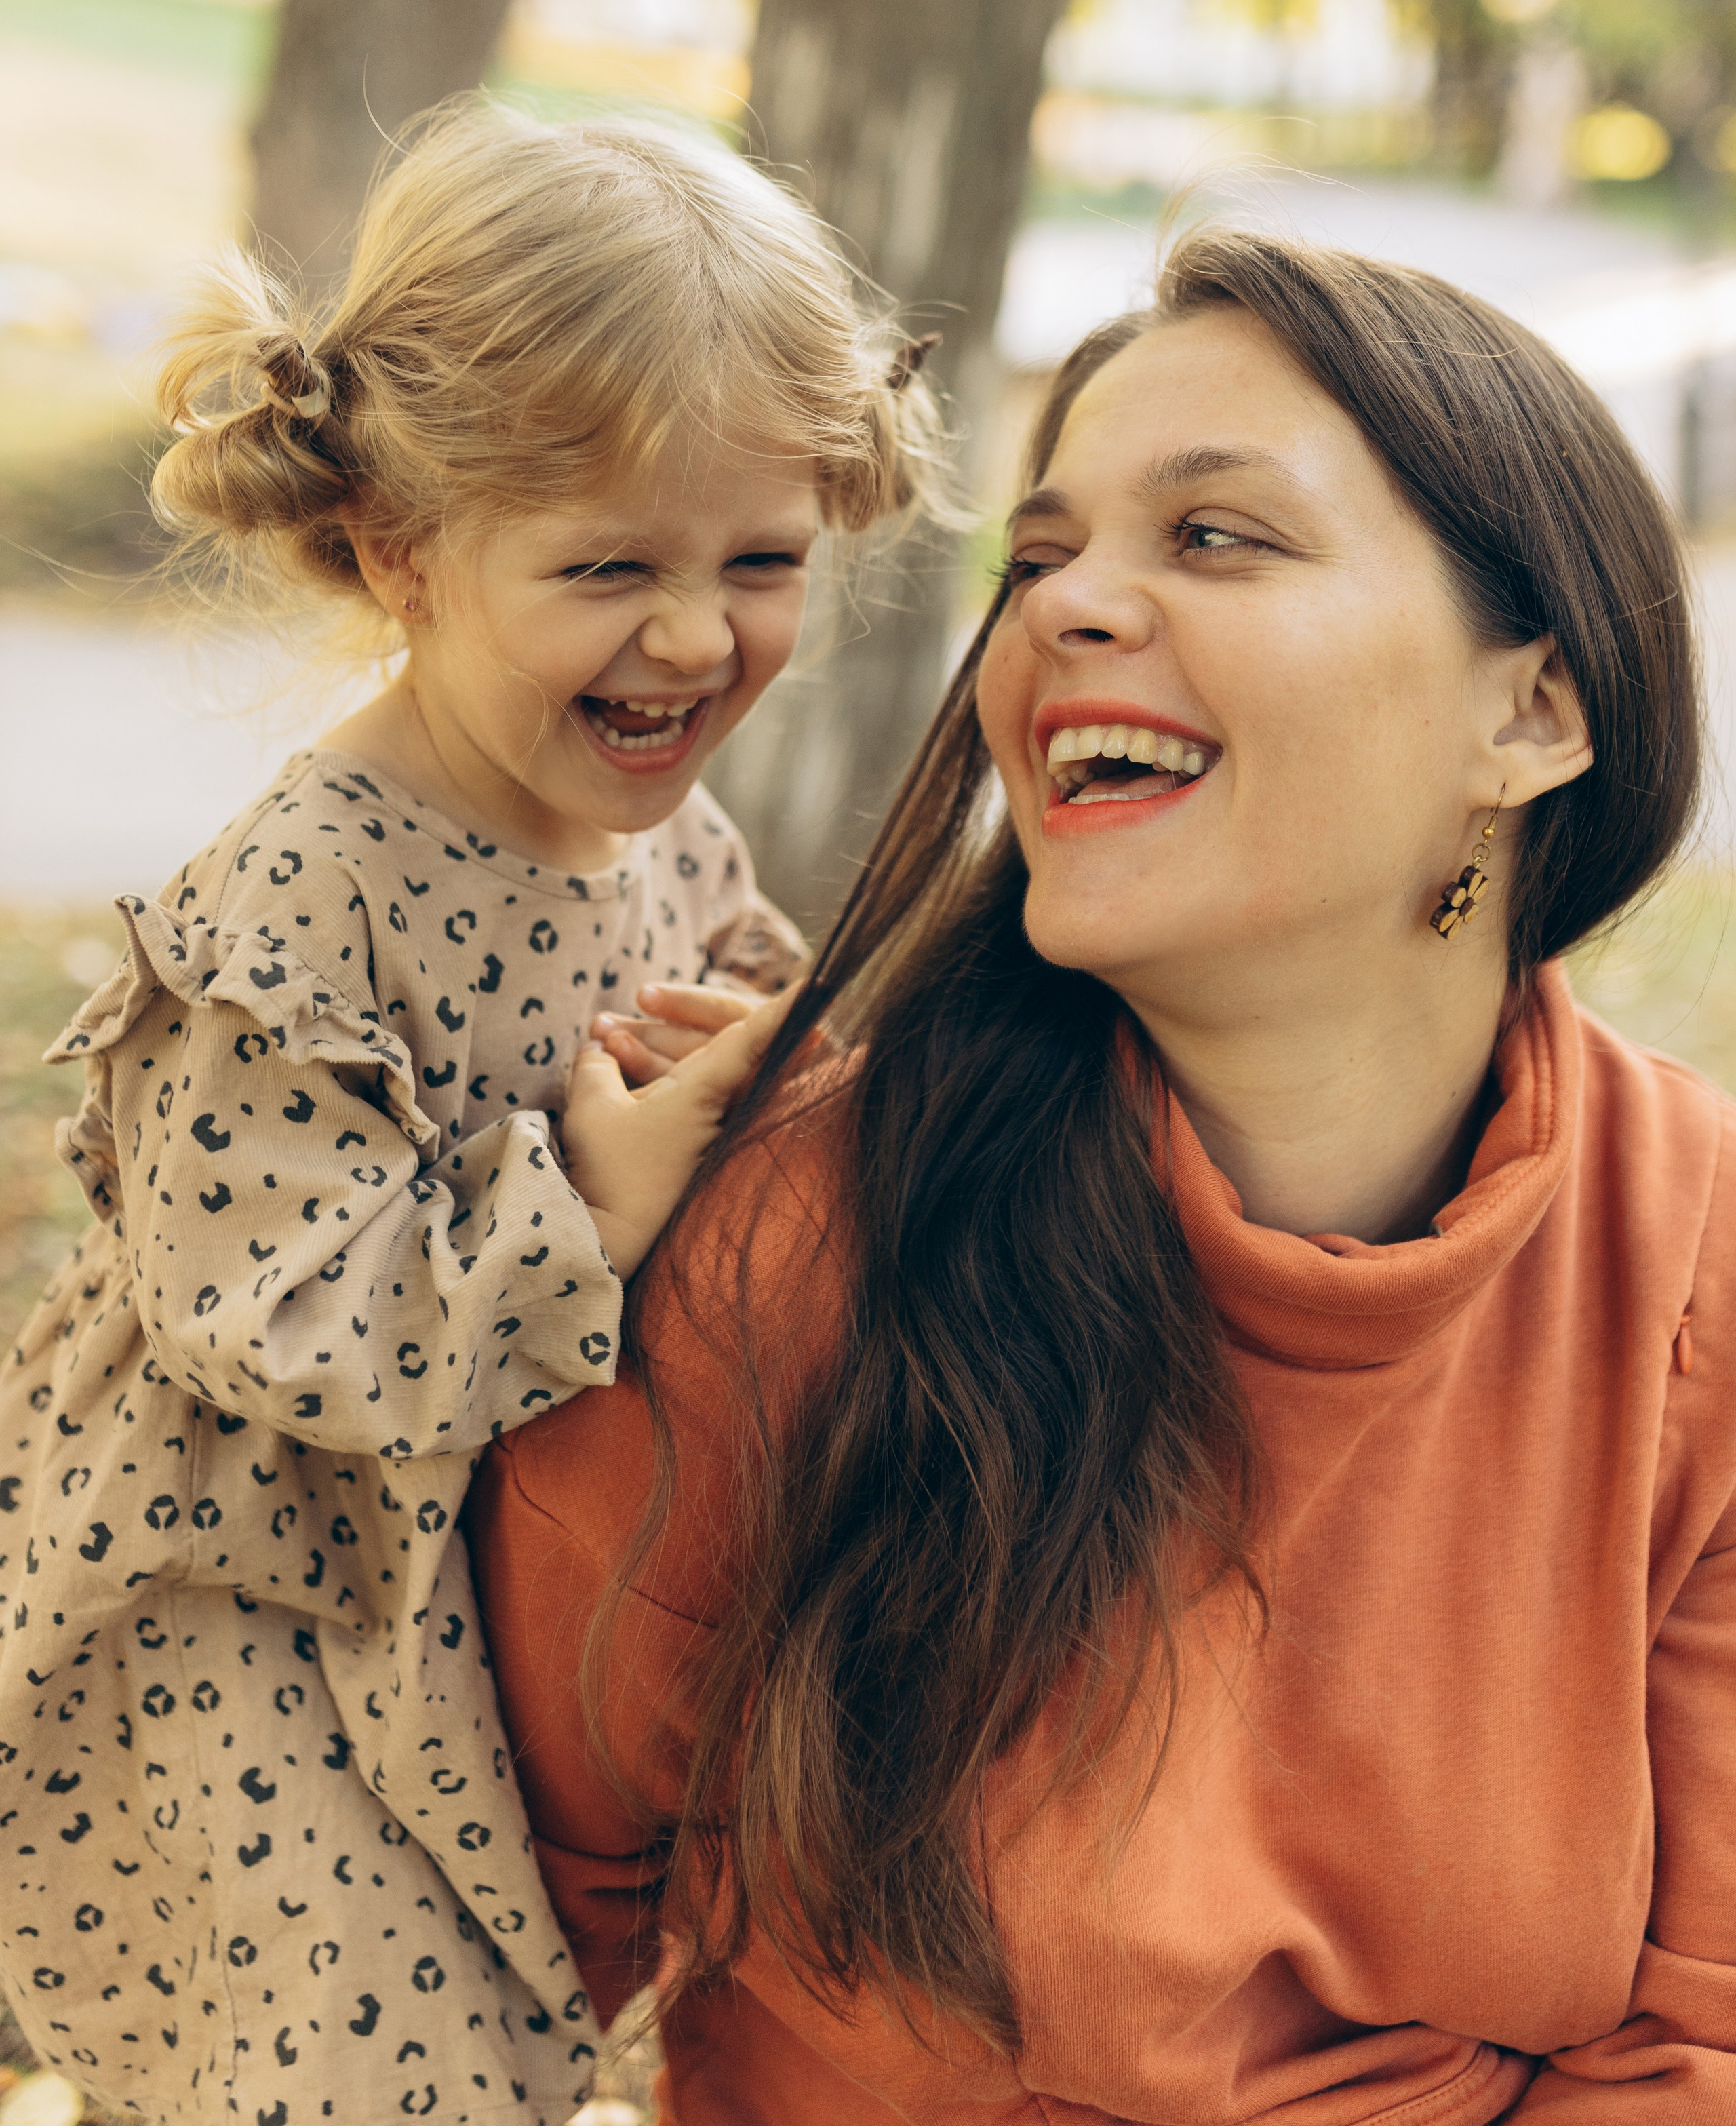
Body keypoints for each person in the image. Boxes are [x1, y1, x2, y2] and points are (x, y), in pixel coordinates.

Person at [471, 227, 1736, 2126]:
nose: (1061, 612)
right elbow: (502, 1938)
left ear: (1533, 714)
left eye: (1215, 537)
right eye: (1042, 557)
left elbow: (1691, 2045)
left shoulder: (1694, 1270)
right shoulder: (789, 1229)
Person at [0, 102, 934, 2126]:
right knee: (359, 2079)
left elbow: (757, 1025)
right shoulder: (303, 896)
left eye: (758, 562)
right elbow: (271, 1310)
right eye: (612, 567)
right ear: (405, 551)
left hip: (470, 1589)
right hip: (256, 1619)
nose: (695, 637)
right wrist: (583, 1196)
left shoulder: (661, 823)